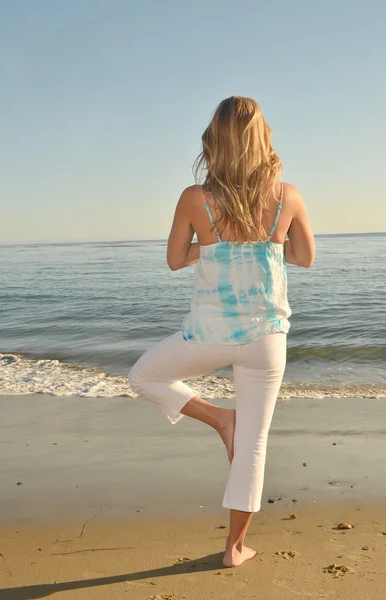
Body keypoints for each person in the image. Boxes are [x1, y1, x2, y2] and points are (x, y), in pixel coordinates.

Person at [128, 96, 315, 568]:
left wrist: (210, 249)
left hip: (210, 333)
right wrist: (265, 245)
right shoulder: (286, 196)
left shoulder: (196, 199)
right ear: (262, 138)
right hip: (267, 338)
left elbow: (174, 259)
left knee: (144, 377)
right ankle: (234, 549)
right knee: (253, 444)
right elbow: (304, 257)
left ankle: (217, 419)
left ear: (215, 140)